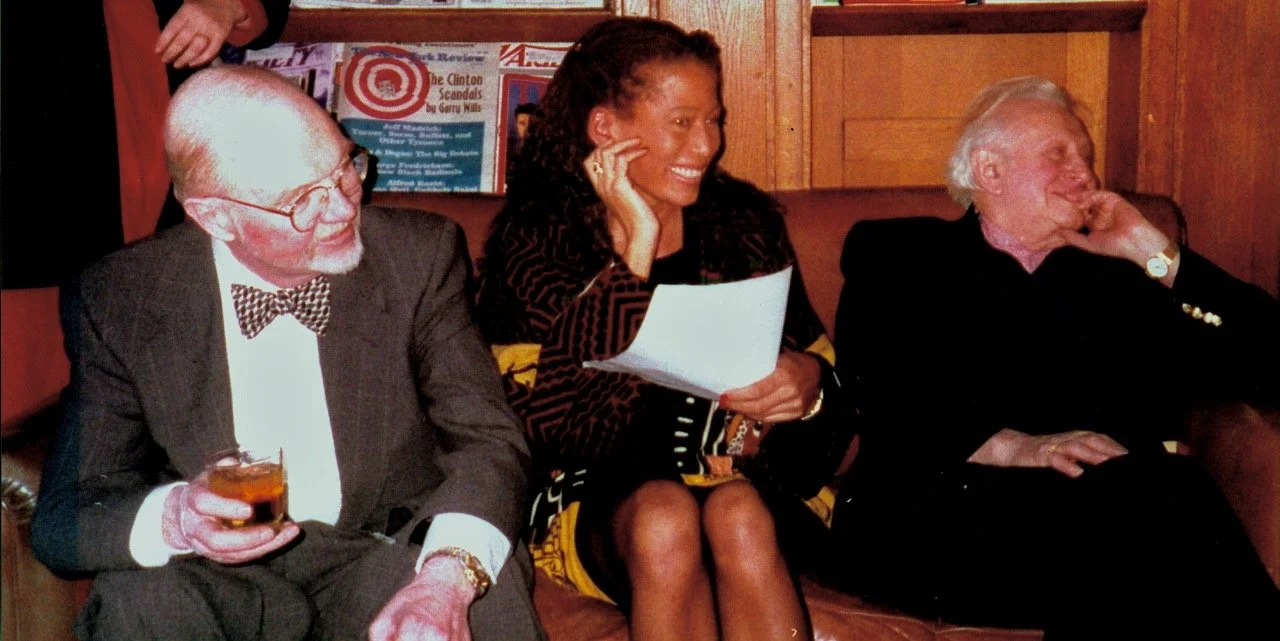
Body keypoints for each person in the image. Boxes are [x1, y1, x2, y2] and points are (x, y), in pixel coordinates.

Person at [30, 65, 544, 641]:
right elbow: (64, 519)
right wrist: (179, 519)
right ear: (215, 216)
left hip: (379, 553)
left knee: (478, 589)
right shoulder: (122, 295)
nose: (344, 209)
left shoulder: (417, 256)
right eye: (302, 200)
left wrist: (445, 579)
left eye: (345, 168)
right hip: (212, 575)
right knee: (138, 602)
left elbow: (488, 441)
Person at [828, 76, 1280, 640]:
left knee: (1149, 509)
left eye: (1087, 157)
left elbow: (1268, 364)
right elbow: (879, 389)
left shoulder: (1119, 274)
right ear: (990, 170)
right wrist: (1018, 447)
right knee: (1153, 509)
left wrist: (1153, 252)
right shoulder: (903, 254)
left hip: (1115, 511)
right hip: (944, 517)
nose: (1085, 175)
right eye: (1058, 154)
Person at [476, 17, 852, 641]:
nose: (706, 146)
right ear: (605, 129)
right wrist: (636, 251)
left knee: (738, 512)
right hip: (602, 502)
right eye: (681, 122)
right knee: (663, 514)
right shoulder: (539, 243)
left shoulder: (744, 224)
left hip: (749, 489)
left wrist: (807, 384)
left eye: (713, 120)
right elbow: (549, 432)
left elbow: (831, 396)